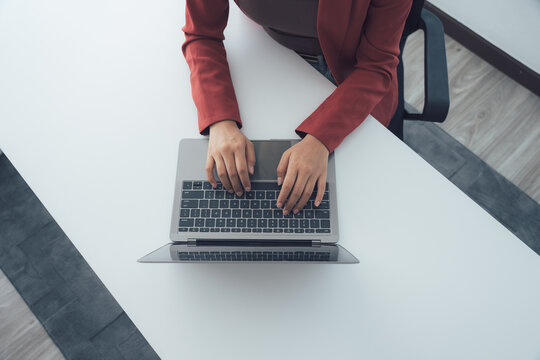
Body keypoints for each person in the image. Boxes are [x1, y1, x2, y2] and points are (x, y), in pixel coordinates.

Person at [182, 0, 412, 215]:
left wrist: (320, 140)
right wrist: (220, 121)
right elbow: (201, 34)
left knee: (352, 210)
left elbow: (376, 66)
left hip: (349, 79)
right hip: (270, 56)